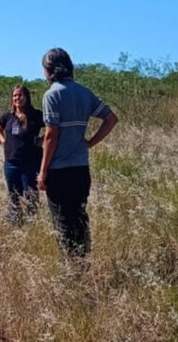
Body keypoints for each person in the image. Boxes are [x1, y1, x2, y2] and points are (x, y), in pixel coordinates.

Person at [37, 48, 118, 255]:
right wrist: (90, 143)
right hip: (81, 168)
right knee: (79, 218)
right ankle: (84, 262)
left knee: (63, 222)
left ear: (48, 70)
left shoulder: (51, 95)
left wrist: (43, 171)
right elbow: (111, 118)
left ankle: (71, 271)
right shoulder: (84, 92)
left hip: (59, 171)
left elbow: (51, 134)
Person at [0, 84, 42, 224]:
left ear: (26, 97)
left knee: (30, 195)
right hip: (10, 163)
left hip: (29, 163)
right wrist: (3, 141)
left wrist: (42, 140)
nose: (17, 98)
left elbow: (53, 128)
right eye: (14, 95)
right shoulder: (8, 116)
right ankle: (15, 223)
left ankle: (33, 224)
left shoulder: (36, 115)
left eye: (20, 95)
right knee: (14, 195)